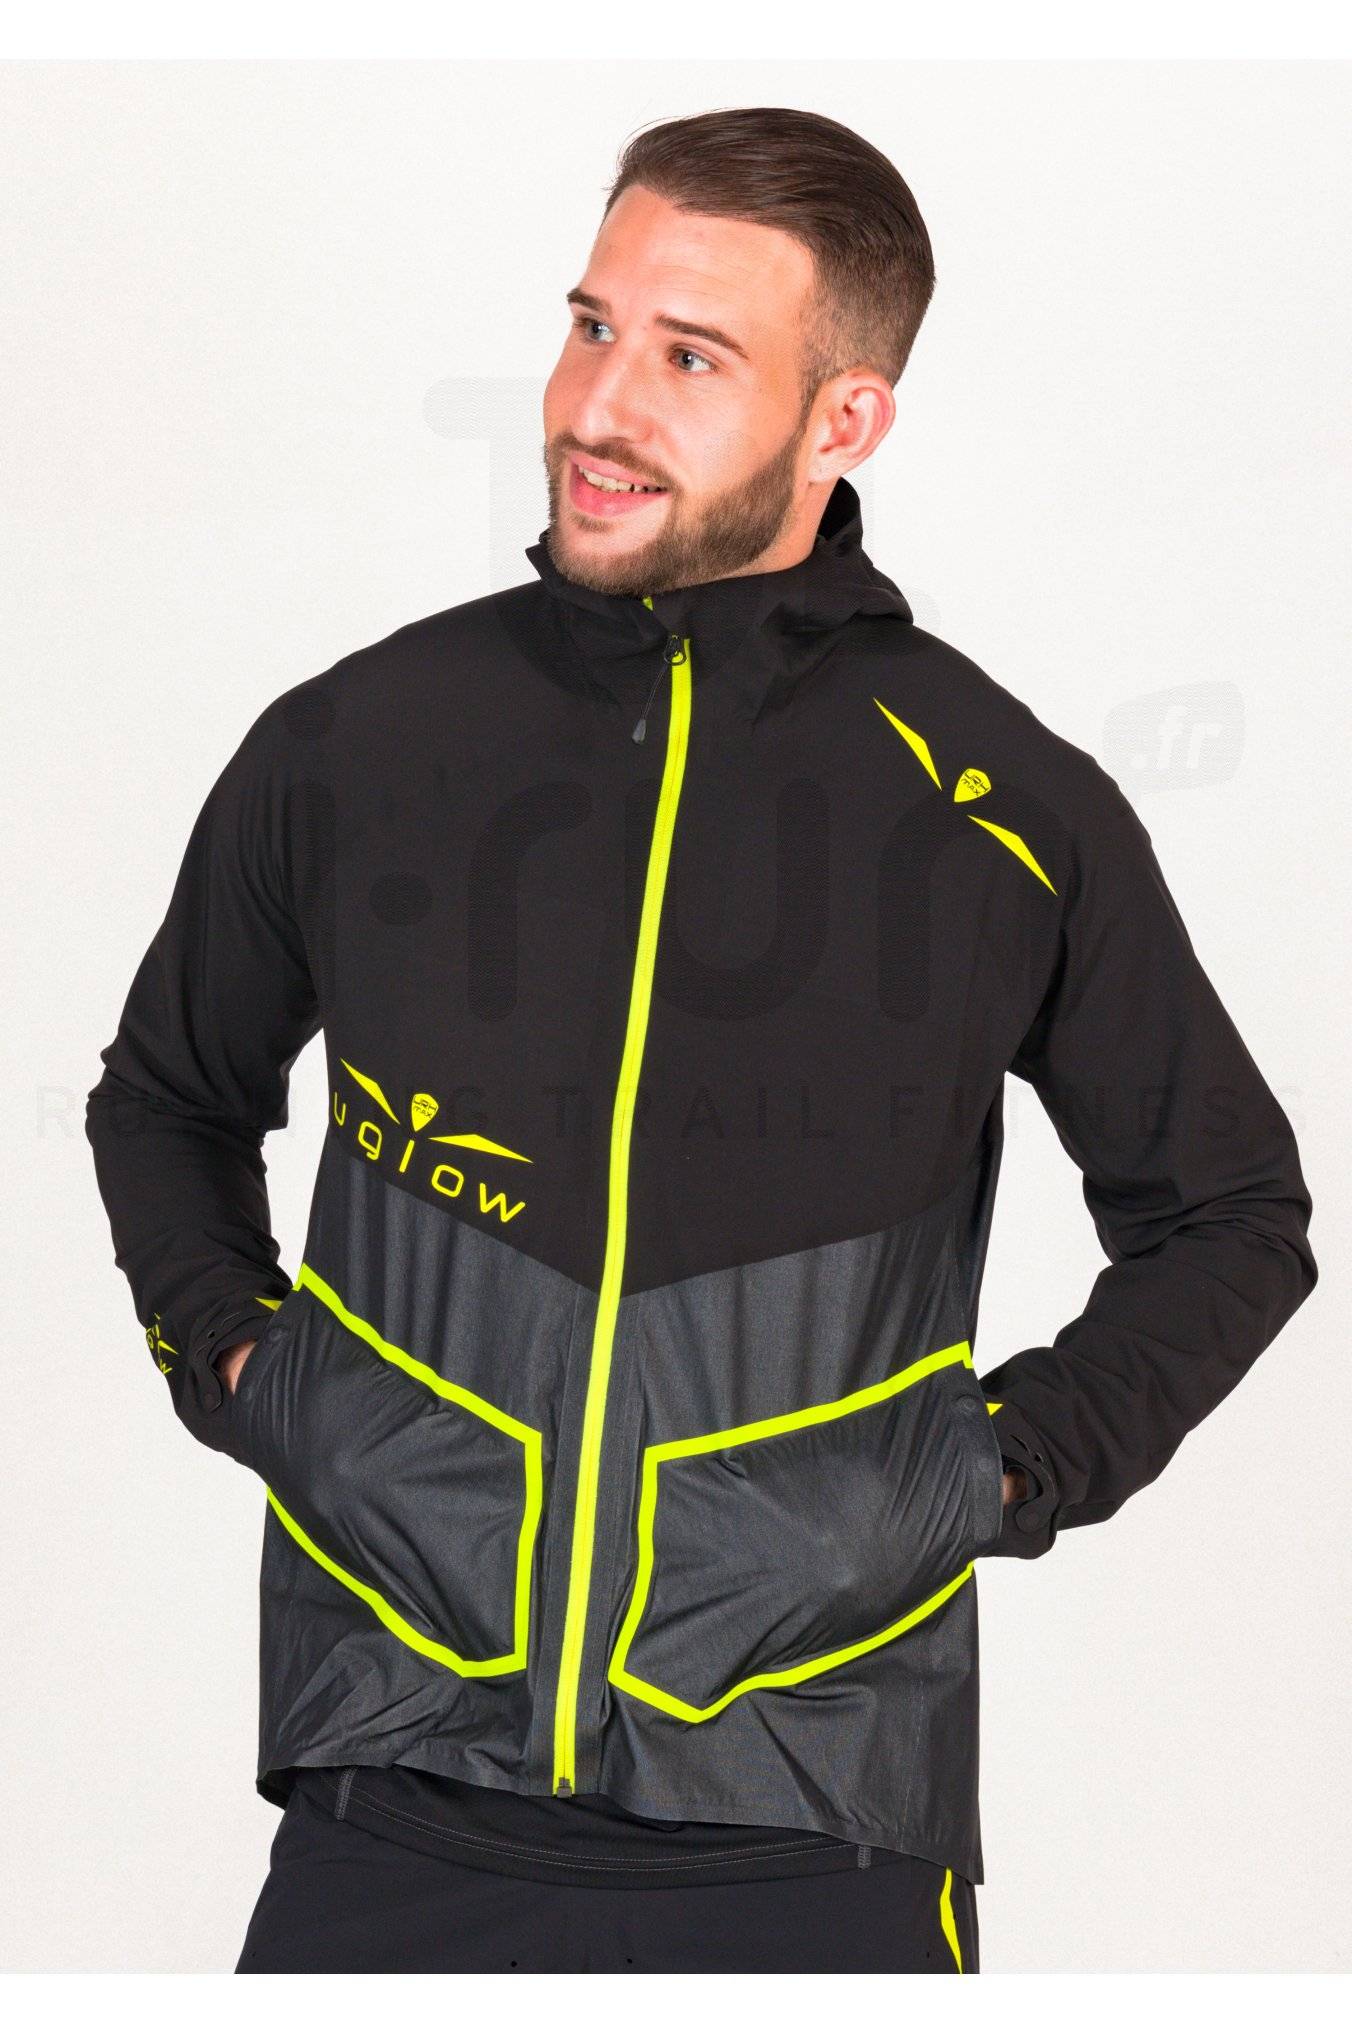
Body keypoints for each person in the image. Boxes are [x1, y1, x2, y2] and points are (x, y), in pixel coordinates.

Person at [85, 105, 1316, 1975]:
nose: (598, 405)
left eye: (690, 357)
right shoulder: (361, 740)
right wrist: (255, 1375)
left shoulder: (998, 805)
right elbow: (168, 1097)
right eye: (591, 325)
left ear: (845, 419)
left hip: (818, 1821)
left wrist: (984, 1472)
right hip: (387, 1795)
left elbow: (1231, 1212)